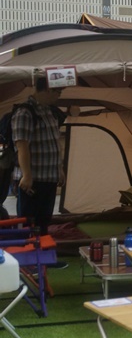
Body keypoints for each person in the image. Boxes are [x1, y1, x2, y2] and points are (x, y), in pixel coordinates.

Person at [12, 77, 64, 237]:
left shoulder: (49, 111)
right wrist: (27, 175)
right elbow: (22, 146)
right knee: (29, 221)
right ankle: (28, 257)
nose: (59, 96)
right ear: (48, 89)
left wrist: (60, 170)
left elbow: (54, 143)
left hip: (49, 177)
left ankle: (43, 258)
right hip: (33, 180)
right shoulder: (25, 113)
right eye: (58, 92)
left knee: (44, 220)